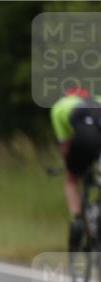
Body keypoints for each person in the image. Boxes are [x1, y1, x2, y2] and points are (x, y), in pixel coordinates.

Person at [50, 86, 101, 249]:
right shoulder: (98, 100)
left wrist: (70, 166)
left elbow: (65, 144)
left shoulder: (59, 106)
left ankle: (77, 221)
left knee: (71, 179)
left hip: (85, 138)